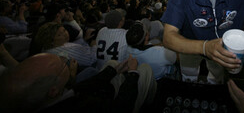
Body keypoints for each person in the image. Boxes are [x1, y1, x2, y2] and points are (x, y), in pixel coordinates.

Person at [0, 53, 157, 113]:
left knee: (111, 63)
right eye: (64, 66)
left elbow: (77, 89)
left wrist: (114, 71)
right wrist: (132, 74)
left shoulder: (50, 97)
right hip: (120, 105)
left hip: (100, 94)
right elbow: (122, 107)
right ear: (53, 91)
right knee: (145, 70)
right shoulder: (86, 107)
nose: (68, 62)